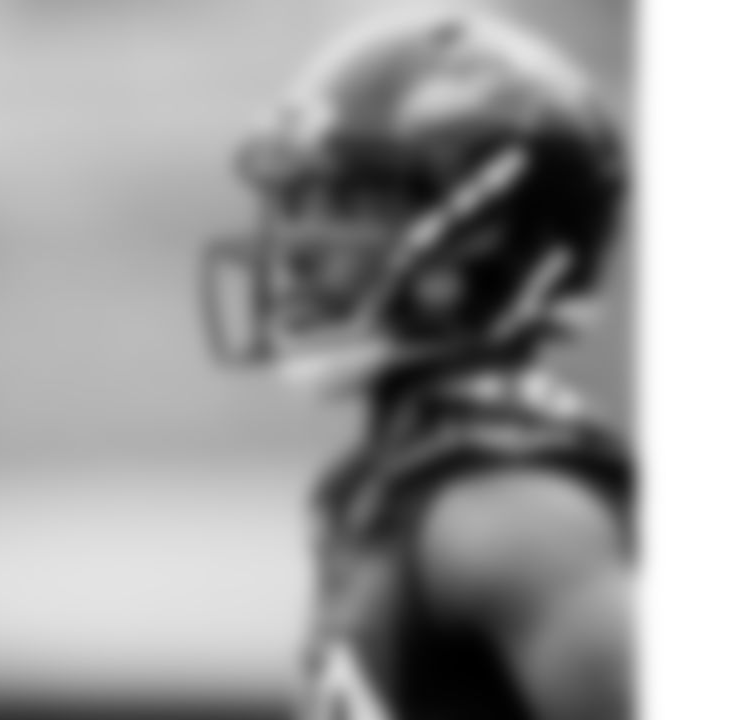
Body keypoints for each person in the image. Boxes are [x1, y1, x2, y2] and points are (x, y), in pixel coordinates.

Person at [198, 9, 634, 720]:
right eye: (296, 199)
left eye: (347, 202)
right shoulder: (402, 474)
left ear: (487, 236)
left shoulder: (510, 511)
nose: (296, 244)